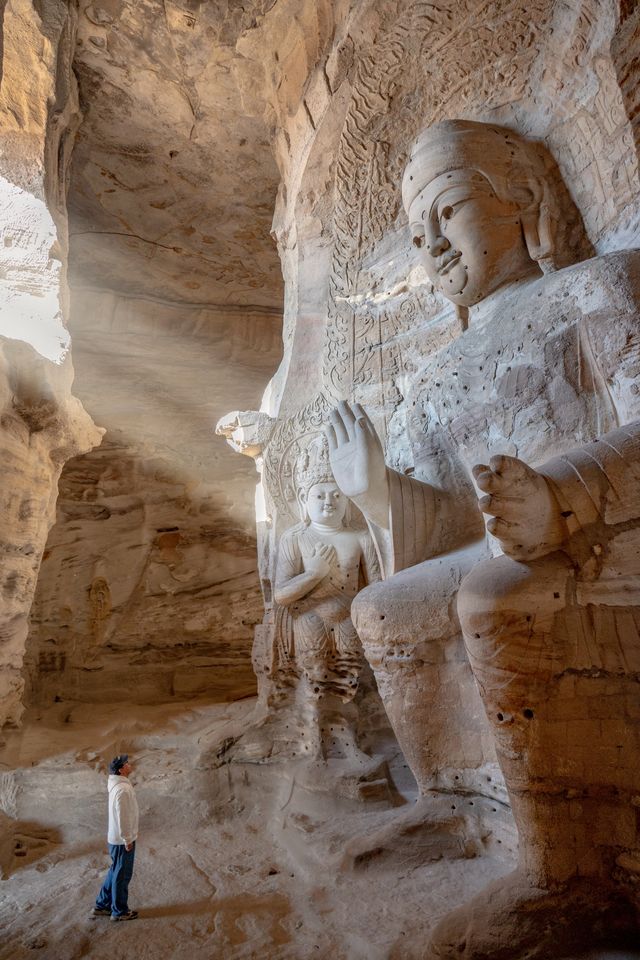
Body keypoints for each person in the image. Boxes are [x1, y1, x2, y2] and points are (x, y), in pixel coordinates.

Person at [327, 119, 640, 955]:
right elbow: (442, 525)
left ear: (524, 200)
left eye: (450, 213)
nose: (432, 246)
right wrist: (375, 492)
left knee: (496, 596)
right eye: (418, 233)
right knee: (384, 609)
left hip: (609, 526)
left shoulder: (596, 288)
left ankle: (569, 870)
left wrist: (562, 495)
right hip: (518, 536)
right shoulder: (434, 377)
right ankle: (457, 801)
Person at [274, 438, 380, 758]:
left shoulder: (361, 537)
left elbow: (376, 585)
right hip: (309, 618)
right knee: (317, 678)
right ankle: (315, 741)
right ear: (304, 502)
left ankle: (346, 738)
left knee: (346, 681)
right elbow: (280, 595)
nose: (328, 502)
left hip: (348, 618)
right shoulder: (295, 538)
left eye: (337, 495)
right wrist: (314, 574)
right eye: (319, 495)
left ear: (348, 503)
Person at [91, 754, 139, 922]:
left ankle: (102, 905)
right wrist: (127, 839)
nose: (129, 764)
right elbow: (123, 817)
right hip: (121, 840)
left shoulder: (118, 785)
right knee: (122, 875)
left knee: (115, 872)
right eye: (127, 763)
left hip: (116, 839)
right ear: (121, 770)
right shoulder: (123, 789)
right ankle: (119, 911)